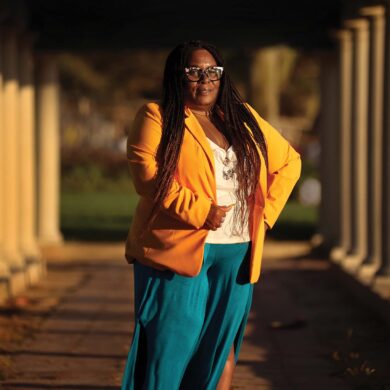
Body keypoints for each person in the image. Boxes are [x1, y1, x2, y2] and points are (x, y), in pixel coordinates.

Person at [121, 40, 301, 390]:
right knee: (170, 348)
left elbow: (289, 162)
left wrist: (263, 217)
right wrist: (200, 210)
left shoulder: (243, 117)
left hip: (237, 253)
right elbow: (147, 176)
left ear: (221, 76)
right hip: (176, 250)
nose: (204, 79)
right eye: (194, 71)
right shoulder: (156, 116)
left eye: (212, 71)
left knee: (221, 352)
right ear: (178, 75)